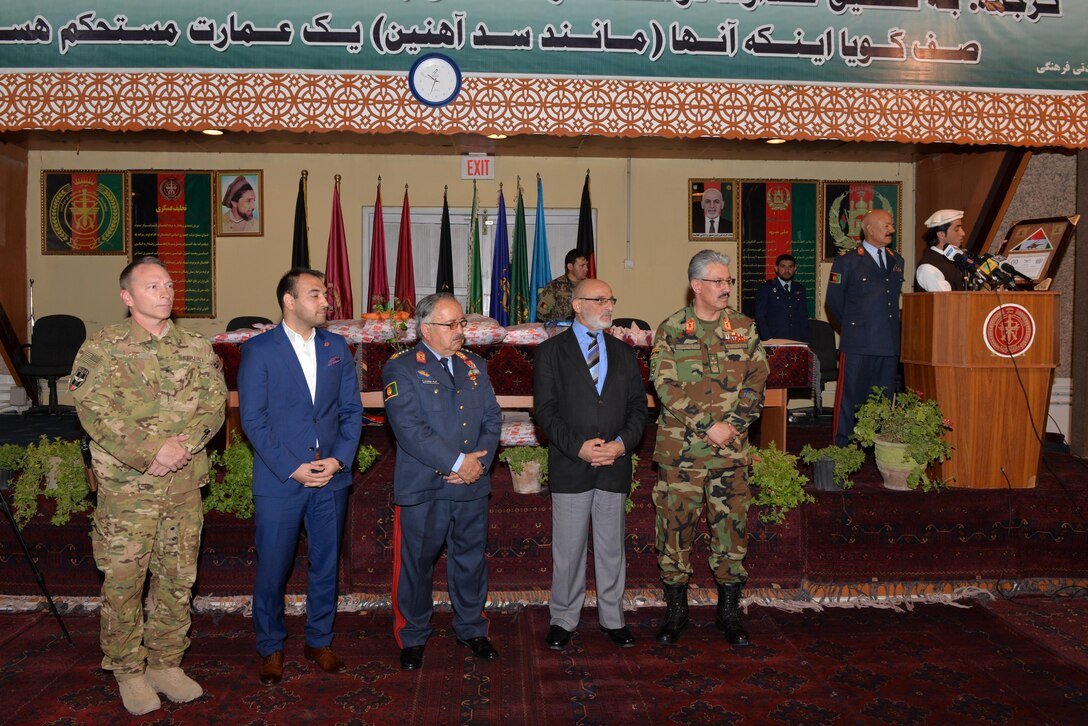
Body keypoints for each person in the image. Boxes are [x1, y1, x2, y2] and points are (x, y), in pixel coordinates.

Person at [70, 256, 226, 716]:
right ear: (127, 296)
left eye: (169, 285)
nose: (165, 292)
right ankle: (127, 670)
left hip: (182, 483)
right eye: (153, 286)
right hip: (127, 487)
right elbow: (93, 410)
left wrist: (181, 448)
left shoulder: (196, 347)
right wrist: (151, 450)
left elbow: (215, 406)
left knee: (178, 579)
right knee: (123, 581)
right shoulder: (102, 348)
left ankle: (165, 663)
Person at [238, 268, 362, 686]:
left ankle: (319, 640)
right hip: (281, 480)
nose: (326, 301)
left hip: (330, 478)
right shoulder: (259, 350)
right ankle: (271, 647)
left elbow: (351, 412)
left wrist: (339, 460)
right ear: (289, 301)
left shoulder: (336, 346)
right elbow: (253, 420)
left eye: (325, 294)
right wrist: (292, 467)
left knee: (325, 565)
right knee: (273, 566)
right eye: (315, 294)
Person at [650, 250, 769, 647]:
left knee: (730, 533)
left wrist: (732, 427)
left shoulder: (745, 327)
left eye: (729, 281)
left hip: (730, 455)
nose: (726, 288)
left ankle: (729, 612)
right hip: (681, 455)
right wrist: (708, 426)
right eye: (717, 282)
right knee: (675, 533)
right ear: (696, 285)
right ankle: (676, 612)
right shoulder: (670, 329)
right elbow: (666, 387)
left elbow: (756, 382)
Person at [382, 292, 502, 671]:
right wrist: (455, 462)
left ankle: (472, 629)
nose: (460, 331)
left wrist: (476, 465)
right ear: (425, 329)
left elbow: (492, 420)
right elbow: (409, 430)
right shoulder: (401, 369)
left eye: (462, 323)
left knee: (469, 561)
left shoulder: (475, 366)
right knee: (416, 564)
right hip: (425, 486)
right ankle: (412, 636)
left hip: (470, 485)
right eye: (450, 325)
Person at [533, 279, 648, 651]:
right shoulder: (551, 352)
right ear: (578, 305)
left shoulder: (624, 352)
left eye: (611, 299)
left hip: (614, 463)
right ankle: (563, 619)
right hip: (571, 463)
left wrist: (619, 445)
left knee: (611, 547)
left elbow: (637, 409)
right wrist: (579, 448)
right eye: (600, 300)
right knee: (567, 549)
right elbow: (545, 413)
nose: (609, 306)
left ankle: (612, 618)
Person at [826, 209, 904, 447]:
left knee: (882, 399)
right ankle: (843, 447)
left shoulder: (897, 260)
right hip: (858, 342)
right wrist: (854, 327)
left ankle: (876, 446)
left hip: (888, 342)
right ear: (869, 229)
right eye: (886, 225)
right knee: (850, 397)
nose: (891, 229)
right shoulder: (847, 260)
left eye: (891, 225)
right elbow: (834, 303)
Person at [753, 253, 809, 342]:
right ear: (776, 268)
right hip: (774, 339)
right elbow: (760, 317)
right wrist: (768, 340)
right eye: (783, 266)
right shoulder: (767, 288)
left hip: (796, 340)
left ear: (795, 269)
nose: (787, 270)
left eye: (790, 267)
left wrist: (806, 342)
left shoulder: (800, 288)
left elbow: (803, 318)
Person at [915, 209, 967, 292]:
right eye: (956, 230)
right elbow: (946, 301)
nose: (963, 233)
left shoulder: (956, 257)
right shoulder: (928, 267)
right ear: (941, 235)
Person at [537, 249, 590, 322]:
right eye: (582, 266)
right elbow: (542, 311)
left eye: (587, 265)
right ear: (570, 266)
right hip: (560, 330)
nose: (586, 269)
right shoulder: (555, 286)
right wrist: (558, 321)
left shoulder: (590, 286)